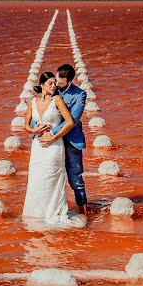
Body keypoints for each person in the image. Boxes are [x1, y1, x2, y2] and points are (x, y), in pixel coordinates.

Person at [21, 72, 83, 227]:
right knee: (37, 179)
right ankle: (37, 215)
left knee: (51, 178)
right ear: (41, 84)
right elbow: (26, 125)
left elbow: (69, 122)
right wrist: (35, 131)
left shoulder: (57, 99)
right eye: (50, 83)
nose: (54, 86)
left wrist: (53, 137)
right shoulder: (32, 102)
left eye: (55, 83)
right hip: (37, 146)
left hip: (54, 146)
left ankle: (53, 212)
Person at [36, 63, 88, 214]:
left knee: (75, 179)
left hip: (71, 141)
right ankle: (50, 210)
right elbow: (38, 109)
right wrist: (38, 128)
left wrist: (52, 133)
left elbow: (73, 119)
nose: (56, 84)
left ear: (70, 82)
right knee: (49, 175)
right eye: (56, 79)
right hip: (50, 142)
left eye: (60, 82)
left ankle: (84, 214)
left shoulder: (80, 94)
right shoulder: (51, 88)